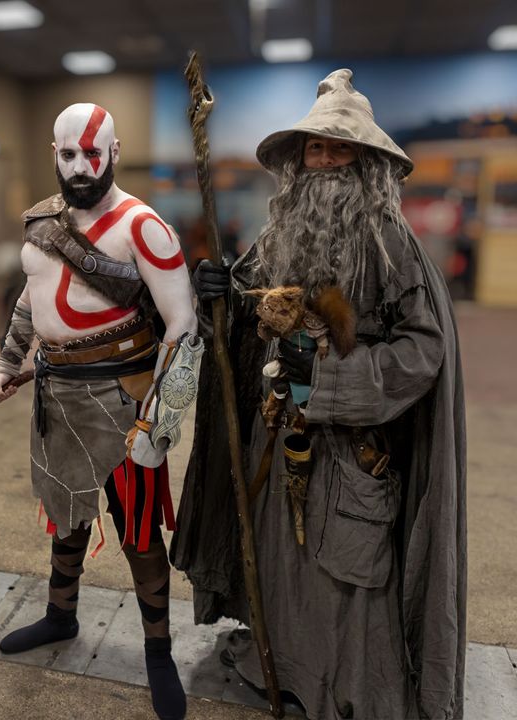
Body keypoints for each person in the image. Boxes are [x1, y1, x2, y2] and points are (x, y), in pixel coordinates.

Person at [171, 69, 466, 719]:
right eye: (316, 148)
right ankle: (281, 665)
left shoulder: (394, 246)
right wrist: (216, 295)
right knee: (279, 569)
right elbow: (243, 322)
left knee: (341, 580)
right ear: (298, 161)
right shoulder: (280, 237)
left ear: (366, 161)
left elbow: (424, 351)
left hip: (349, 454)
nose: (327, 160)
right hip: (276, 443)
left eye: (340, 148)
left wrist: (330, 382)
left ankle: (348, 690)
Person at [0, 103, 200, 720]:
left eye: (92, 153)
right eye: (67, 155)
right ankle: (61, 615)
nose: (81, 167)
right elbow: (29, 303)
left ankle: (158, 652)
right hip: (57, 395)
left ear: (114, 151)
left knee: (139, 535)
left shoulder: (144, 226)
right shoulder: (42, 223)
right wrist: (7, 363)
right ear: (53, 154)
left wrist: (157, 423)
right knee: (66, 515)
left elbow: (183, 330)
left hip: (125, 398)